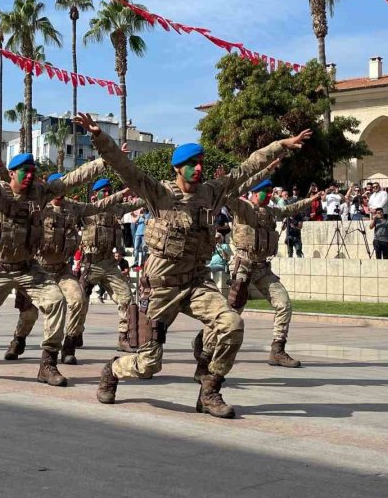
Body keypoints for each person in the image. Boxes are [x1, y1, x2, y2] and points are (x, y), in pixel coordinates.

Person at [76, 111, 312, 418]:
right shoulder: (159, 194)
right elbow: (126, 168)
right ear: (177, 168)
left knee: (231, 324)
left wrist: (281, 145)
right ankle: (113, 370)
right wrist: (99, 137)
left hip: (196, 283)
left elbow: (247, 167)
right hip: (161, 288)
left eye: (201, 163)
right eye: (192, 164)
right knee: (148, 365)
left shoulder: (211, 193)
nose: (198, 169)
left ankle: (210, 390)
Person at [0, 136, 104, 385]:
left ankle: (48, 363)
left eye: (32, 171)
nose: (30, 176)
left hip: (29, 268)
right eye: (24, 172)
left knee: (56, 301)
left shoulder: (41, 193)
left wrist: (105, 161)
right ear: (11, 174)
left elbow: (74, 178)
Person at [11, 172, 129, 366]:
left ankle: (69, 346)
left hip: (62, 270)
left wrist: (121, 194)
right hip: (38, 269)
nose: (59, 192)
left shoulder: (73, 209)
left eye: (62, 188)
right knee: (29, 312)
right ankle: (19, 339)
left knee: (78, 300)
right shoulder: (37, 207)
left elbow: (97, 206)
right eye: (55, 188)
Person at [222, 175, 318, 368]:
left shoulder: (270, 212)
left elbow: (289, 209)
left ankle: (277, 350)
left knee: (283, 304)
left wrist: (311, 200)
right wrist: (226, 182)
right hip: (243, 266)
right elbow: (227, 198)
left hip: (263, 268)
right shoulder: (244, 208)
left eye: (271, 192)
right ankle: (206, 342)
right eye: (267, 192)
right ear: (255, 194)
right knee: (232, 312)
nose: (270, 195)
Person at [79, 177, 143, 352]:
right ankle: (73, 336)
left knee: (127, 299)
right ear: (94, 195)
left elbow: (137, 203)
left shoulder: (117, 209)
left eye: (109, 190)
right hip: (90, 265)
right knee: (79, 302)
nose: (107, 194)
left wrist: (150, 189)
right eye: (103, 191)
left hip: (109, 264)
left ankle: (124, 338)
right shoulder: (87, 210)